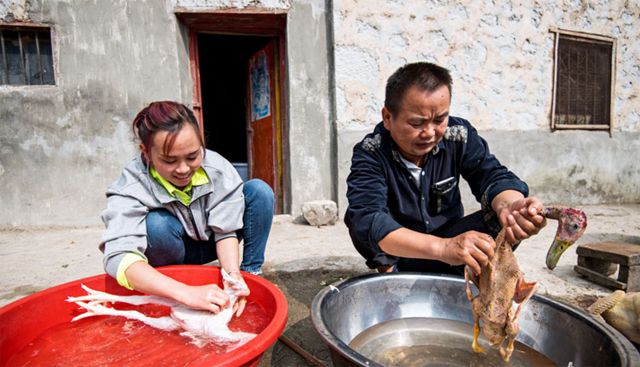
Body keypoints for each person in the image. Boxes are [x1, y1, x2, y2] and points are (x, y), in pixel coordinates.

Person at [345, 62, 547, 276]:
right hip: (402, 253)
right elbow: (371, 218)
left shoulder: (459, 136)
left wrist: (511, 207)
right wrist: (443, 249)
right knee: (359, 214)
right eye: (416, 124)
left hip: (451, 244)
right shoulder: (371, 153)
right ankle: (390, 273)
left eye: (440, 120)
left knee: (503, 219)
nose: (429, 133)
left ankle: (470, 274)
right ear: (387, 118)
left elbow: (491, 176)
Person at [100, 101, 274, 316]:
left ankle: (251, 275)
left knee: (258, 190)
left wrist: (232, 274)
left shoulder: (217, 168)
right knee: (156, 225)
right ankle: (176, 280)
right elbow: (119, 257)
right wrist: (185, 292)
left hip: (213, 242)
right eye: (169, 160)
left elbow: (225, 230)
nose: (183, 169)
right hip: (173, 249)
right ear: (146, 153)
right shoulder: (130, 185)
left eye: (192, 156)